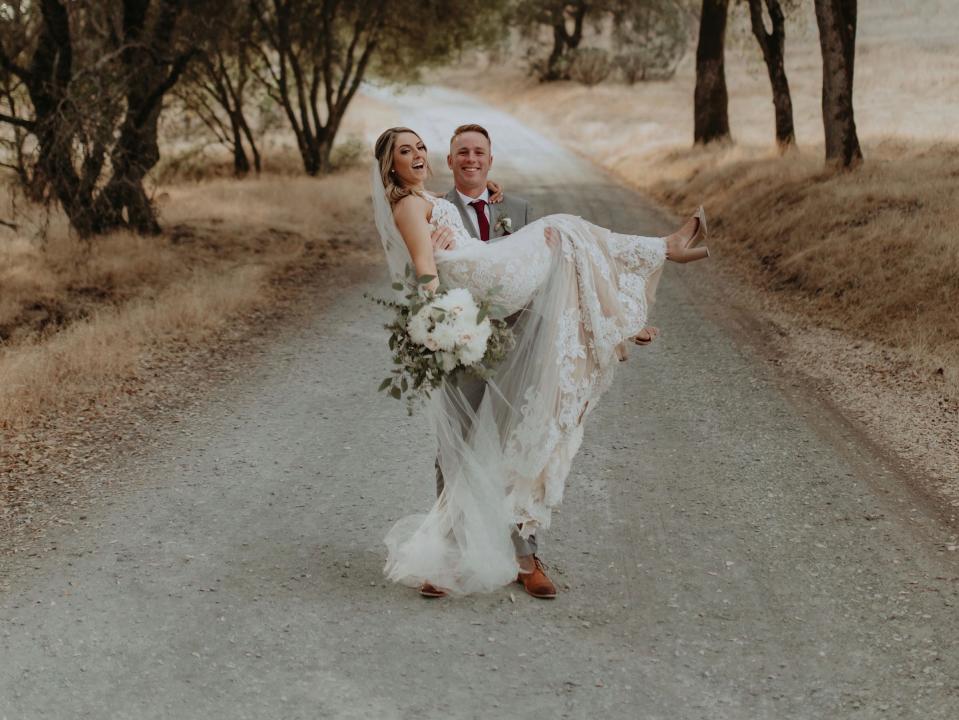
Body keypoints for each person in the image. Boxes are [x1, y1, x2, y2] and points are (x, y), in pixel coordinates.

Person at [372, 126, 708, 598]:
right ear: (450, 160)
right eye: (459, 152)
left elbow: (555, 286)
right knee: (458, 450)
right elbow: (423, 269)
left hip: (516, 337)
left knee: (526, 435)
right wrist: (431, 317)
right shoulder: (419, 204)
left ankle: (525, 555)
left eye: (479, 152)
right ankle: (445, 560)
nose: (469, 159)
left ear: (490, 160)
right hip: (462, 334)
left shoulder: (512, 208)